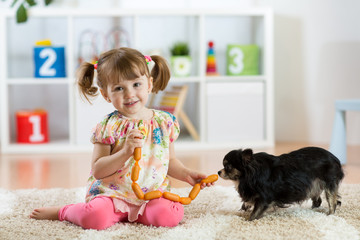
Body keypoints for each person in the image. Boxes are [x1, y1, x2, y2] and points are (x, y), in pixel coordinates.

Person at [30, 47, 214, 229]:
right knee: (94, 217)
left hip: (149, 196)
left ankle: (137, 215)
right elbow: (98, 170)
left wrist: (187, 174)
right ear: (106, 94)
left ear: (149, 84)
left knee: (169, 216)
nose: (129, 94)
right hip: (111, 195)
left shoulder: (164, 123)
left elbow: (170, 161)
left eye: (136, 84)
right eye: (119, 88)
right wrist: (126, 152)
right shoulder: (108, 126)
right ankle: (66, 211)